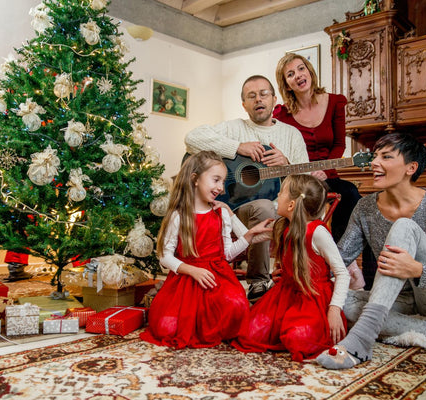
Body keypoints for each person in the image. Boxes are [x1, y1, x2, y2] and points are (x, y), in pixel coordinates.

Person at [317, 132, 426, 370]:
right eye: (375, 156)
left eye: (386, 157)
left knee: (404, 226)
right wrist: (299, 269)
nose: (374, 163)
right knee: (329, 299)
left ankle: (361, 339)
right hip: (401, 300)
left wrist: (417, 269)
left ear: (411, 167)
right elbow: (338, 258)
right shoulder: (365, 207)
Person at [185, 75, 309, 302]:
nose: (258, 100)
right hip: (229, 207)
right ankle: (251, 281)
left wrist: (287, 166)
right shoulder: (233, 128)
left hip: (276, 209)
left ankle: (258, 283)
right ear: (244, 104)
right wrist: (236, 147)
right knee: (262, 207)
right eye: (251, 96)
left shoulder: (291, 135)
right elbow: (192, 138)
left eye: (263, 94)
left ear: (274, 99)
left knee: (264, 207)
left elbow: (307, 184)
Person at [140, 151, 273, 349]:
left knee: (237, 307)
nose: (221, 188)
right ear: (195, 179)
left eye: (222, 181)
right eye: (216, 180)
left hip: (217, 277)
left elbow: (227, 254)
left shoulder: (221, 212)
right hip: (187, 278)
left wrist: (248, 236)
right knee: (167, 326)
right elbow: (164, 256)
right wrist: (191, 270)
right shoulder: (179, 215)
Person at [273, 52, 371, 289]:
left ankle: (347, 263)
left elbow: (339, 144)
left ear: (309, 71)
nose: (298, 76)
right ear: (286, 83)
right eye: (290, 74)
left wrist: (326, 171)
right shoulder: (281, 113)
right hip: (298, 180)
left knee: (351, 196)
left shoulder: (335, 102)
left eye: (301, 69)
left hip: (328, 175)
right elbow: (279, 147)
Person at [232, 174, 350, 361]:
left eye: (281, 192)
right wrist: (229, 215)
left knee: (297, 339)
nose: (277, 195)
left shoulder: (317, 232)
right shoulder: (283, 226)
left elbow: (342, 273)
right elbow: (249, 238)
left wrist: (334, 309)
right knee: (249, 332)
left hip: (312, 298)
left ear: (291, 205)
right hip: (285, 294)